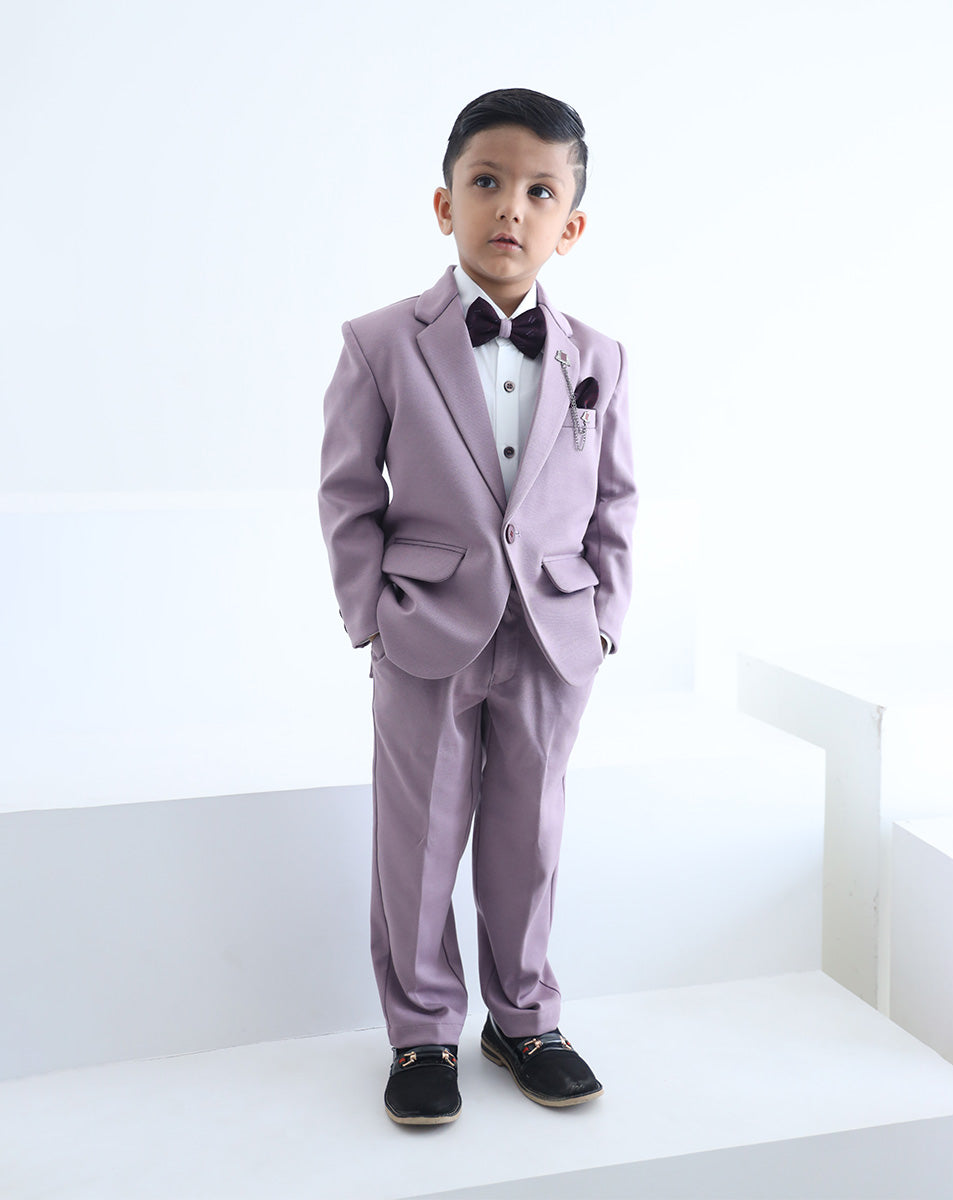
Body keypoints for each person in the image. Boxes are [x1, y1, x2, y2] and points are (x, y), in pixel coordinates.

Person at [317, 87, 637, 1126]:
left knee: (528, 835)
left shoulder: (598, 357)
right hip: (424, 631)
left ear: (570, 226)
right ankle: (421, 1033)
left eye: (540, 191)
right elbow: (347, 492)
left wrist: (605, 617)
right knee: (417, 840)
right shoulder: (380, 342)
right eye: (487, 181)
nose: (511, 207)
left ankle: (524, 1018)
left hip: (553, 633)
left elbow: (616, 498)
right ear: (444, 203)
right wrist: (371, 615)